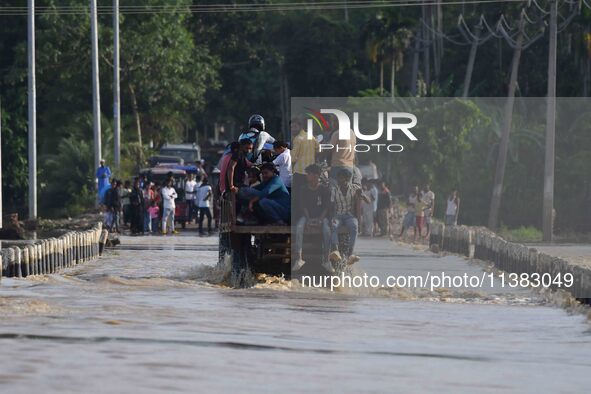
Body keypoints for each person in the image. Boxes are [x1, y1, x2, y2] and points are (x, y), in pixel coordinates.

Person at [327, 169, 369, 270]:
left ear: (346, 179)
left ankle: (350, 253)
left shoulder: (355, 188)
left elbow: (368, 201)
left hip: (349, 216)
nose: (339, 180)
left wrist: (362, 194)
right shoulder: (334, 189)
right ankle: (336, 251)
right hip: (338, 215)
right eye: (338, 178)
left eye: (341, 178)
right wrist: (331, 218)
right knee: (333, 225)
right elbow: (331, 205)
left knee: (354, 226)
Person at [293, 164, 331, 272]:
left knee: (327, 230)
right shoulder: (303, 189)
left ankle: (327, 260)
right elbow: (303, 206)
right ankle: (299, 259)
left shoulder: (324, 189)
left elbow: (326, 207)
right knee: (299, 227)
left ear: (315, 175)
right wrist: (308, 219)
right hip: (307, 216)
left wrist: (320, 220)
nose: (307, 176)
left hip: (321, 217)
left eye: (308, 174)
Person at [291, 117, 318, 188]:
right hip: (310, 172)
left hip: (299, 172)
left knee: (297, 196)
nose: (293, 129)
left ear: (301, 127)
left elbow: (293, 158)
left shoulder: (297, 139)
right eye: (291, 127)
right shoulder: (311, 137)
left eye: (295, 127)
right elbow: (318, 149)